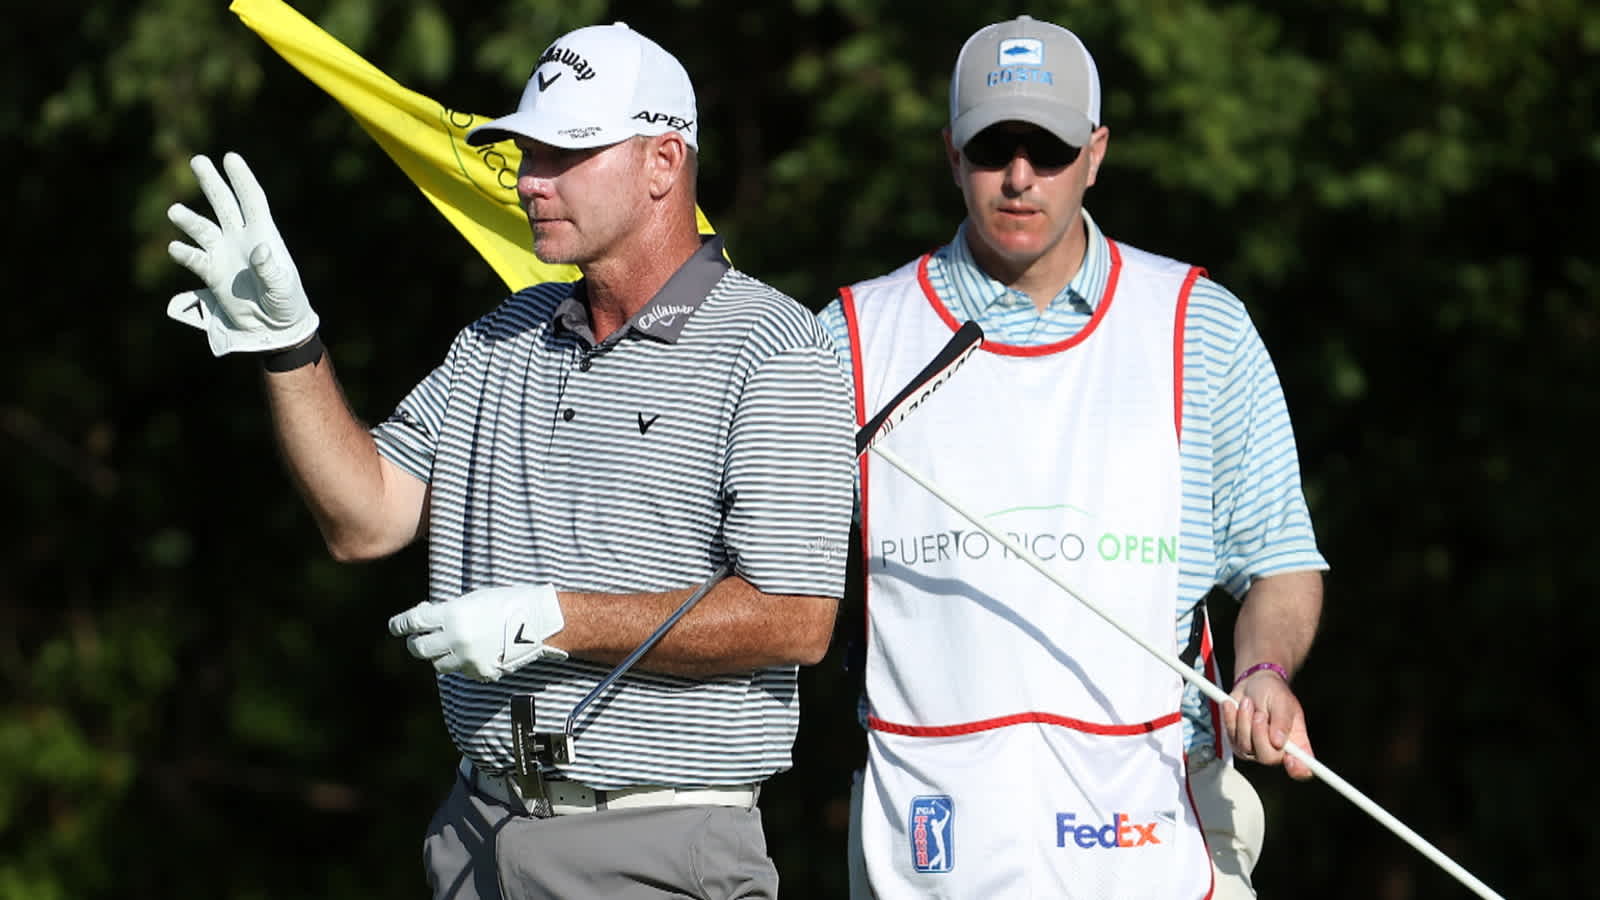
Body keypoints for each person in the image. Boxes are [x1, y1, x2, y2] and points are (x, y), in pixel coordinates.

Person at [165, 21, 855, 900]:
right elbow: (364, 519)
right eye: (528, 152)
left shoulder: (774, 347)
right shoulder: (500, 340)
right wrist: (288, 346)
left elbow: (794, 618)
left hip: (658, 844)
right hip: (476, 833)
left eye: (566, 154)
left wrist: (553, 619)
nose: (530, 179)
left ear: (662, 162)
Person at [816, 15, 1327, 899]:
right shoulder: (849, 340)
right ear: (951, 154)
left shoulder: (1200, 324)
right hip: (932, 839)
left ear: (1095, 154)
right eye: (993, 148)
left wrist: (1264, 673)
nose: (1020, 177)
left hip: (1157, 825)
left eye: (1048, 149)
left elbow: (1279, 562)